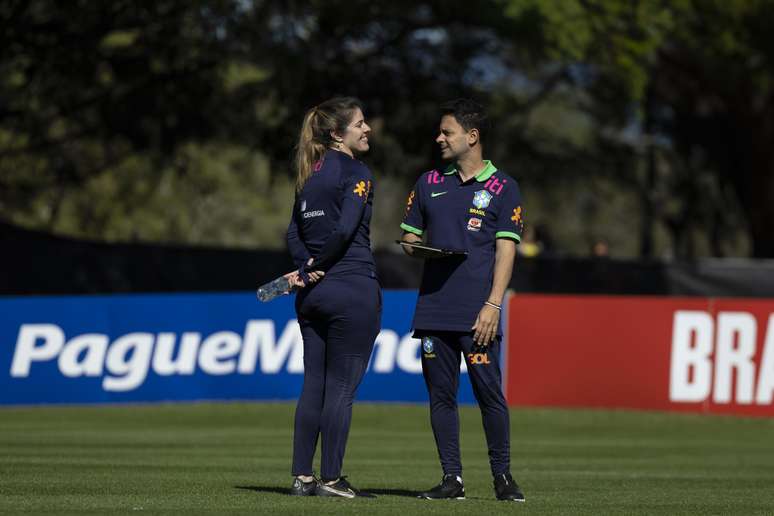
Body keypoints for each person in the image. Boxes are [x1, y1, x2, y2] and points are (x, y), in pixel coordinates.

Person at [399, 99, 525, 502]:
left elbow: (506, 251)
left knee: (490, 395)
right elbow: (409, 239)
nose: (439, 138)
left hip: (478, 314)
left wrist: (493, 304)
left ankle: (503, 477)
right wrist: (414, 247)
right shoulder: (428, 183)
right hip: (434, 309)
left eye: (446, 132)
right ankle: (451, 479)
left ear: (471, 137)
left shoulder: (504, 187)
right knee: (441, 397)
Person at [284, 97, 381, 498]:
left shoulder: (308, 175)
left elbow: (292, 233)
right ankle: (331, 479)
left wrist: (305, 268)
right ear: (338, 134)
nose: (367, 129)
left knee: (314, 385)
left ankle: (302, 477)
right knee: (341, 389)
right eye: (360, 123)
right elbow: (344, 230)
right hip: (351, 289)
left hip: (312, 296)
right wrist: (319, 263)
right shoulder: (357, 171)